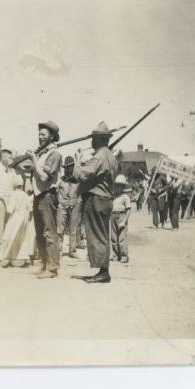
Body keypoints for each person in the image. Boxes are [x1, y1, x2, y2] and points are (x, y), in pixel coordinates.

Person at [72, 121, 119, 284]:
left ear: (99, 140)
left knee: (97, 236)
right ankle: (103, 270)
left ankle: (103, 272)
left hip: (96, 199)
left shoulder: (99, 156)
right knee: (102, 235)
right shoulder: (111, 156)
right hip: (105, 199)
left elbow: (81, 175)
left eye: (93, 138)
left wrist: (78, 161)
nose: (91, 141)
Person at [22, 121, 63, 279]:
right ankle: (44, 264)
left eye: (43, 135)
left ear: (52, 137)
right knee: (39, 233)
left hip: (48, 195)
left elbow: (45, 177)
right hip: (38, 196)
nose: (40, 137)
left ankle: (52, 268)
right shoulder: (41, 154)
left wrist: (33, 160)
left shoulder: (55, 154)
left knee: (49, 232)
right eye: (39, 134)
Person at [56, 155, 81, 259]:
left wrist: (78, 202)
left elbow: (81, 192)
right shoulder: (60, 180)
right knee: (60, 229)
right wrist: (59, 202)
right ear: (64, 168)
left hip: (75, 205)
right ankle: (59, 250)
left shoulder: (78, 179)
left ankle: (72, 251)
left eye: (70, 166)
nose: (69, 168)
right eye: (67, 167)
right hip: (62, 205)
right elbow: (56, 192)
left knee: (73, 229)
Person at [110, 174, 132, 263]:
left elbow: (129, 210)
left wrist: (124, 221)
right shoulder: (113, 196)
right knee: (113, 237)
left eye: (120, 186)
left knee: (122, 238)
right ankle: (115, 255)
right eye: (116, 186)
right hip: (113, 216)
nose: (117, 188)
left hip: (121, 216)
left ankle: (124, 256)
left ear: (123, 187)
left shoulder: (125, 197)